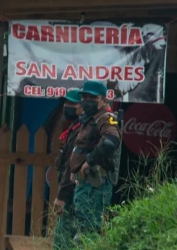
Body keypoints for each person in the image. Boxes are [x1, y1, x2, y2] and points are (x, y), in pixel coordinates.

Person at [69, 80, 121, 245]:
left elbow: (111, 141)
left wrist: (88, 162)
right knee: (82, 228)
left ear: (104, 100)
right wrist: (75, 169)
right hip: (85, 182)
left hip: (95, 183)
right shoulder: (90, 119)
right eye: (84, 97)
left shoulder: (107, 118)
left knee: (89, 230)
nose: (87, 101)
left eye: (92, 97)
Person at [53, 88, 84, 250]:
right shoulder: (73, 130)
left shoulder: (80, 133)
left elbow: (70, 168)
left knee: (63, 239)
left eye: (72, 103)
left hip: (73, 196)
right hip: (71, 195)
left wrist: (62, 196)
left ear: (81, 107)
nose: (67, 106)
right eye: (66, 103)